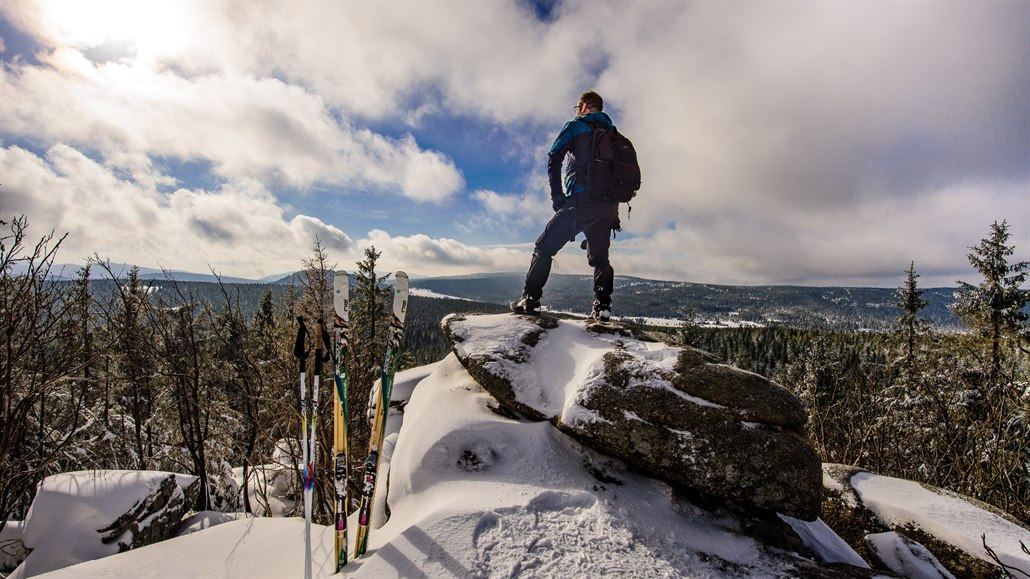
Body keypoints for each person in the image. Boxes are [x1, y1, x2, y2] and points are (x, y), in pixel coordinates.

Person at [511, 90, 621, 321]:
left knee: (544, 247)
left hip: (579, 203)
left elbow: (554, 156)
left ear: (583, 107)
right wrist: (614, 214)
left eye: (577, 107)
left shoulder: (576, 125)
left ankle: (530, 299)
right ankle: (603, 307)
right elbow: (616, 178)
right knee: (601, 259)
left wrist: (557, 197)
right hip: (607, 209)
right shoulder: (613, 135)